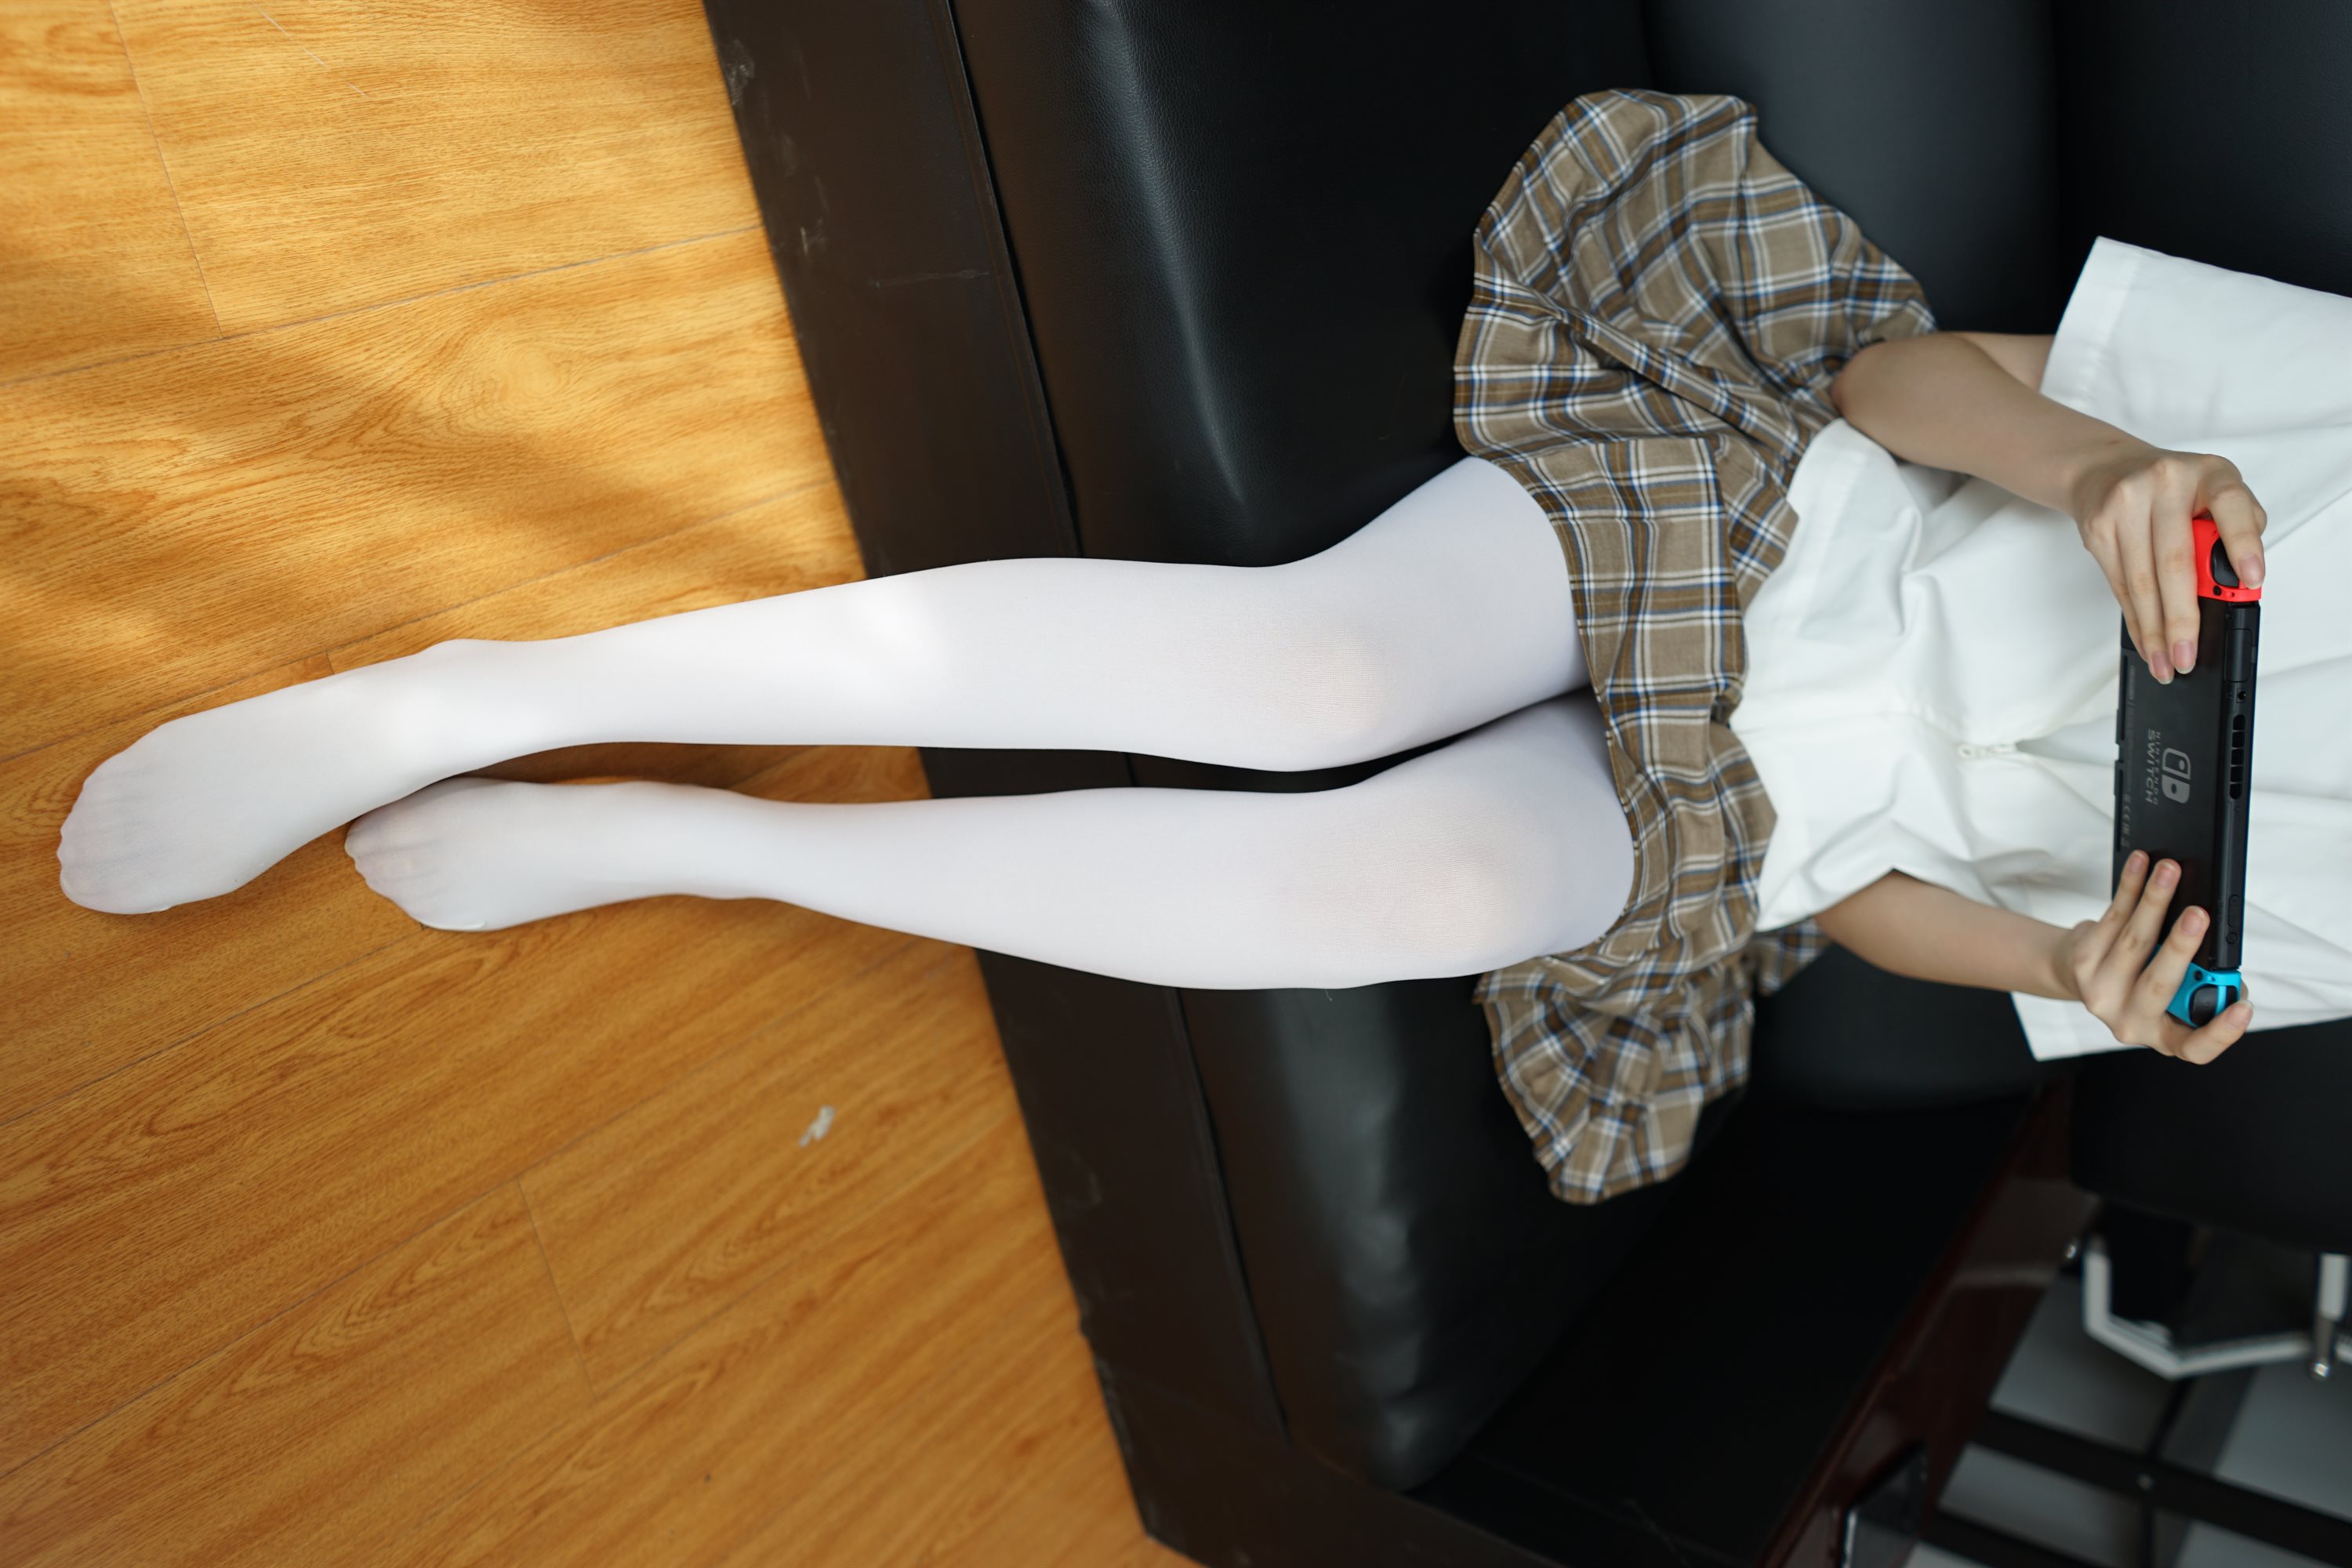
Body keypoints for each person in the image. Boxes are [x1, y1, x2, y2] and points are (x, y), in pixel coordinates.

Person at [56, 93, 2347, 1203]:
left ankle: (683, 840)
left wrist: (2054, 954)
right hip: (1776, 520)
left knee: (1411, 889)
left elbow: (1857, 906)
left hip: (1774, 830)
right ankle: (487, 692)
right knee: (1314, 681)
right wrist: (2094, 469)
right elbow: (1892, 381)